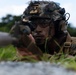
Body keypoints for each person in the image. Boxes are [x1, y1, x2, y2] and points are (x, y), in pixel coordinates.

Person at [11, 1, 76, 60]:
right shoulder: (32, 45)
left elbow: (71, 62)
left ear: (58, 25)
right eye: (33, 24)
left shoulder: (74, 44)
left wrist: (37, 55)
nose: (37, 30)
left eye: (44, 23)